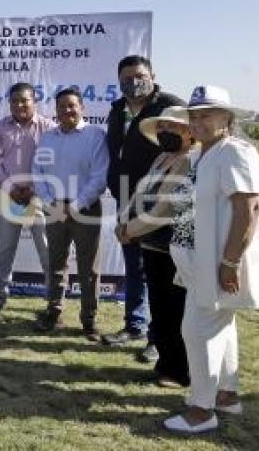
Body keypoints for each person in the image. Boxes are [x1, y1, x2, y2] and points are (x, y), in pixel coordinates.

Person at [163, 86, 259, 434]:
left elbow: (250, 208)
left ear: (227, 119)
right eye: (193, 116)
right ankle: (226, 394)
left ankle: (201, 410)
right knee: (220, 326)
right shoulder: (203, 154)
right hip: (199, 259)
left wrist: (229, 263)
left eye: (206, 115)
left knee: (197, 330)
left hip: (217, 261)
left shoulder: (235, 152)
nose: (197, 122)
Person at [103, 55, 185, 361]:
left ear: (152, 76)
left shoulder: (170, 106)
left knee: (159, 273)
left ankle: (158, 339)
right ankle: (134, 325)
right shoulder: (116, 110)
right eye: (126, 77)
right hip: (127, 200)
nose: (133, 82)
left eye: (139, 75)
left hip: (161, 204)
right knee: (134, 267)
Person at [115, 106, 195, 388]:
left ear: (188, 131)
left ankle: (179, 371)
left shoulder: (190, 161)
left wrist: (129, 229)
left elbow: (166, 209)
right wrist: (123, 220)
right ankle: (165, 366)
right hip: (151, 245)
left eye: (171, 128)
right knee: (160, 309)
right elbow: (139, 192)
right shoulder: (163, 157)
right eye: (161, 128)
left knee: (175, 310)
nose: (164, 134)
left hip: (174, 247)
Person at [32, 87, 108, 338]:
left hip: (85, 209)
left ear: (82, 108)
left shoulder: (95, 135)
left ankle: (89, 320)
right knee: (56, 264)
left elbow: (99, 177)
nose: (67, 110)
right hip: (54, 208)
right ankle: (53, 312)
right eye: (62, 106)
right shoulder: (48, 138)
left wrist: (74, 206)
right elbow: (37, 173)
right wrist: (51, 203)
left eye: (72, 105)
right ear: (56, 110)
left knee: (88, 269)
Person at [0, 82, 54, 312]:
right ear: (10, 103)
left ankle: (54, 300)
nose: (20, 105)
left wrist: (34, 188)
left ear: (34, 101)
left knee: (47, 249)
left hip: (40, 197)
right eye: (15, 101)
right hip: (8, 196)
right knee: (5, 249)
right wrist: (11, 189)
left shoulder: (49, 128)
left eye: (25, 100)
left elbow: (54, 163)